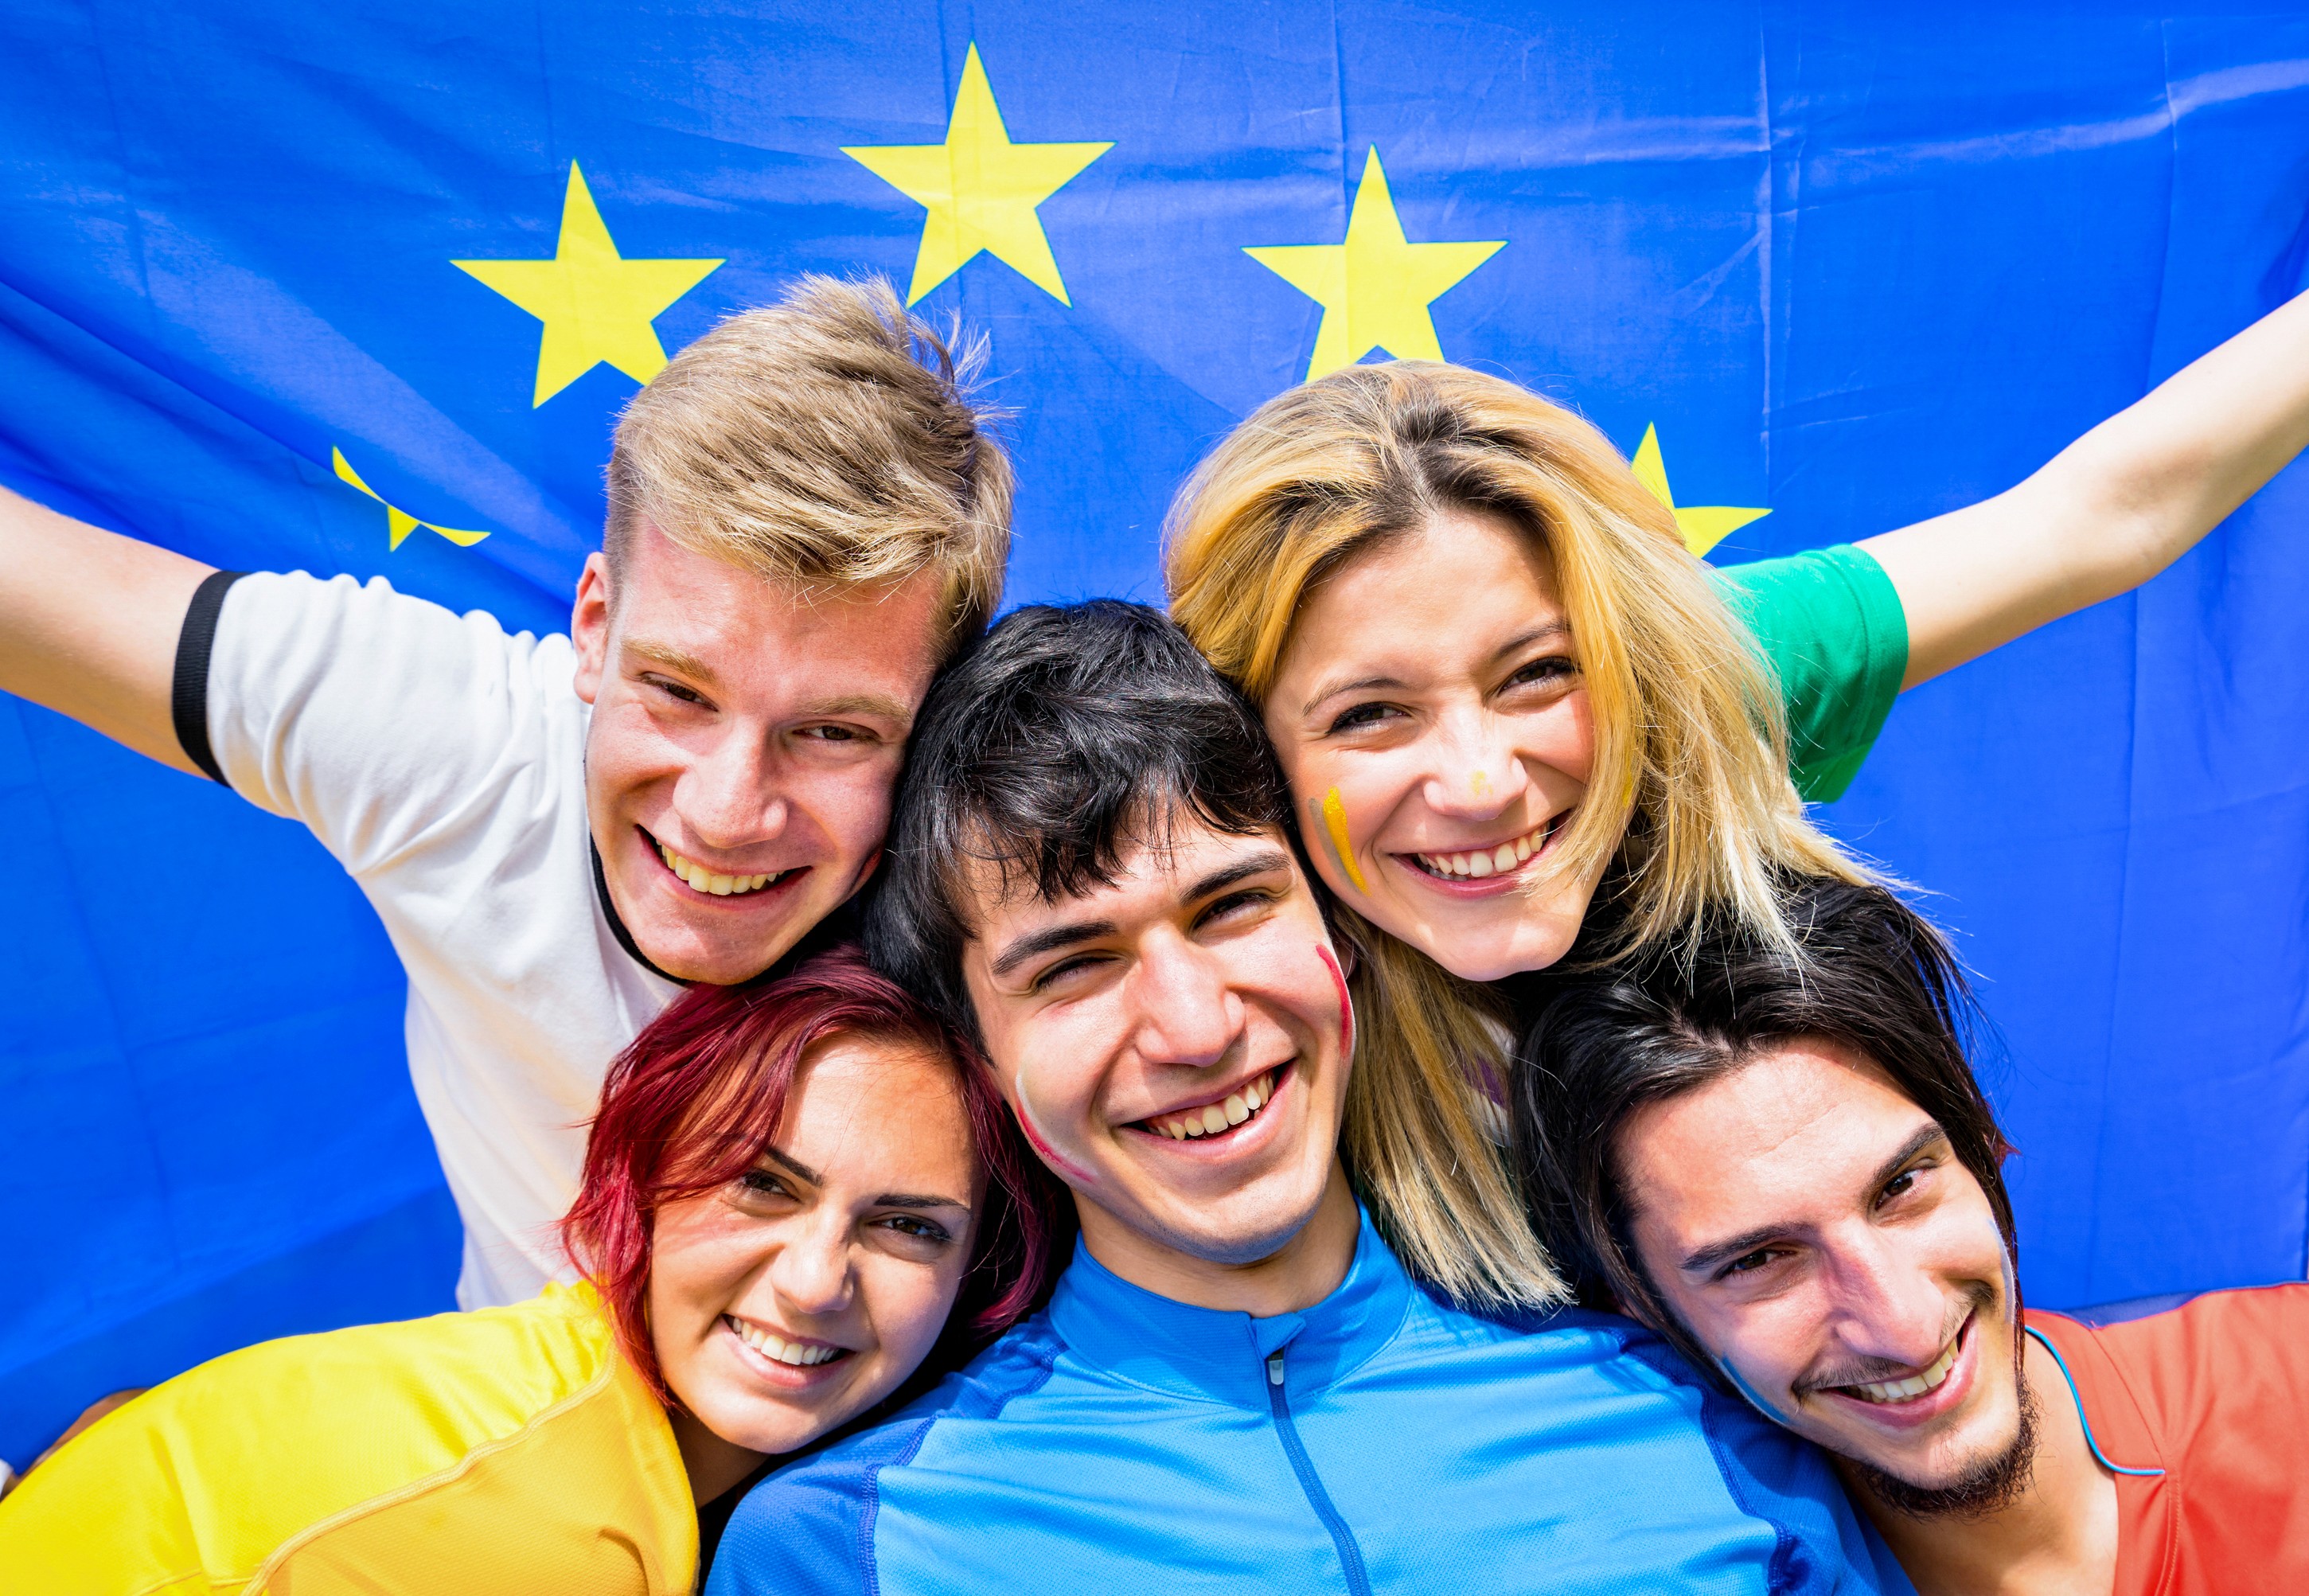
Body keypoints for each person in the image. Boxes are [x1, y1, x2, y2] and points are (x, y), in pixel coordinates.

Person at [708, 602, 1909, 1595]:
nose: (1197, 1027)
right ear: (978, 1051)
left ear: (1339, 928)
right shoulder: (837, 1549)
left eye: (1233, 906)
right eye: (1074, 965)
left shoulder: (1695, 1394)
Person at [0, 275, 1012, 1309]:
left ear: (933, 723)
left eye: (833, 732)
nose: (724, 811)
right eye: (677, 690)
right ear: (592, 627)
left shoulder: (1021, 895)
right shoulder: (463, 749)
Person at [0, 949, 1057, 1592]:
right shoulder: (560, 1537)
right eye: (762, 1184)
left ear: (976, 1277)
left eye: (908, 1227)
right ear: (646, 1178)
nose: (816, 1279)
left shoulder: (550, 1378)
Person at [1512, 876, 2309, 1595]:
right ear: (1643, 1310)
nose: (1903, 1327)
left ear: (1981, 1141)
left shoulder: (2289, 1380)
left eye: (1900, 1186)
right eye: (1759, 1260)